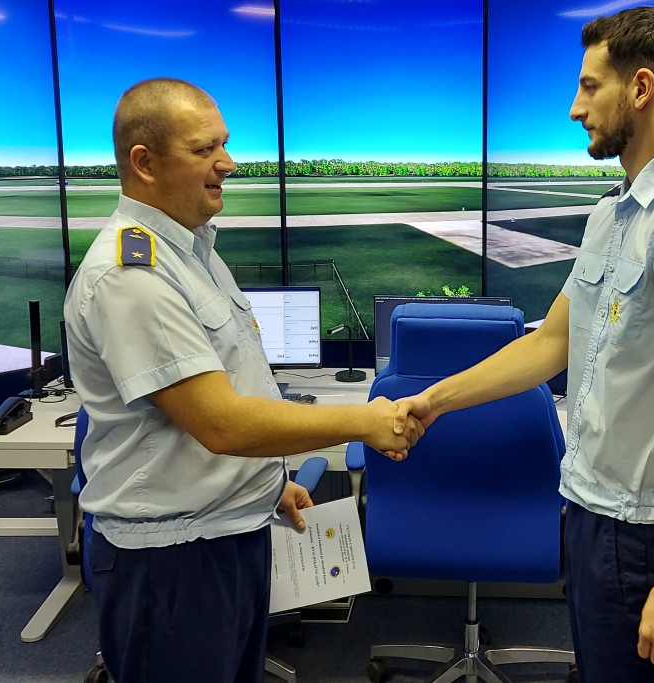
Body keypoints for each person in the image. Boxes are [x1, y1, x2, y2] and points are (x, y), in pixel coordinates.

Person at [398, 6, 654, 682]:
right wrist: (434, 400)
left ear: (642, 88)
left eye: (590, 87)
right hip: (590, 510)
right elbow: (552, 342)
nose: (575, 108)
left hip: (648, 533)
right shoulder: (611, 216)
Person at [63, 78, 421, 683]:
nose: (227, 163)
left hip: (227, 532)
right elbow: (221, 423)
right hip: (173, 559)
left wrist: (267, 484)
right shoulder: (131, 275)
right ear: (144, 164)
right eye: (204, 149)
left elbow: (231, 390)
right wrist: (365, 420)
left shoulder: (193, 253)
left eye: (224, 144)